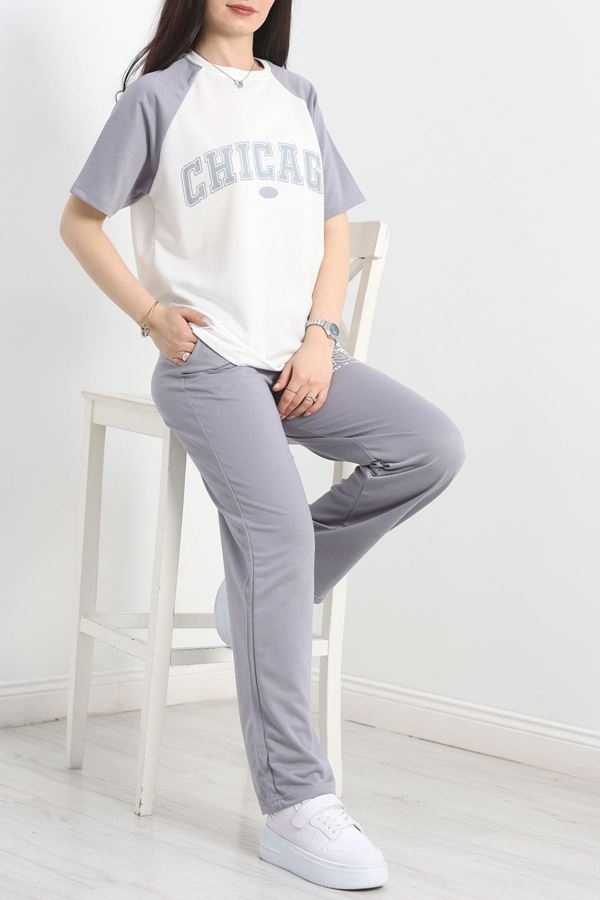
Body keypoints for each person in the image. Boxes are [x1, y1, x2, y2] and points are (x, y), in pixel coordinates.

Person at [60, 0, 466, 890]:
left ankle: (255, 593)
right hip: (207, 362)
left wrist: (322, 335)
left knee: (430, 445)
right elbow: (80, 220)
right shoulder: (157, 99)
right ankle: (295, 802)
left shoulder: (297, 97)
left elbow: (332, 227)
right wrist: (151, 315)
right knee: (275, 534)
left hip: (296, 357)